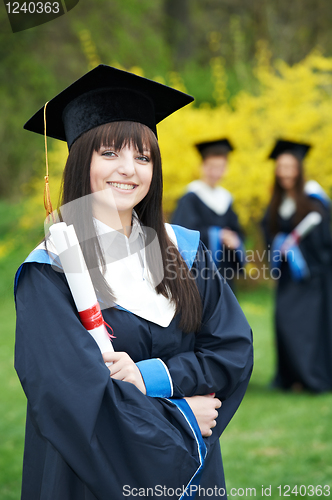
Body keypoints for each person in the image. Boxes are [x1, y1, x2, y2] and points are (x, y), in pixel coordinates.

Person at [14, 65, 253, 500]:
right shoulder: (49, 271)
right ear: (80, 159)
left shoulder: (185, 251)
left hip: (192, 480)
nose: (129, 170)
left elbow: (231, 351)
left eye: (143, 157)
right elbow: (70, 402)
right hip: (91, 479)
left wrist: (151, 377)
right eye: (110, 153)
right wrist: (181, 417)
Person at [261, 139, 332, 393]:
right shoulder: (278, 200)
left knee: (307, 329)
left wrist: (298, 249)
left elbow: (324, 240)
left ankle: (311, 379)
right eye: (281, 167)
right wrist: (280, 243)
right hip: (288, 279)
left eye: (290, 166)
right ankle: (290, 377)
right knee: (284, 322)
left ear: (299, 169)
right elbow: (267, 232)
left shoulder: (315, 199)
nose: (285, 172)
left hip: (312, 279)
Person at [172, 139, 245, 290]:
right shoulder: (190, 197)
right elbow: (183, 233)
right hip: (198, 272)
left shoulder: (226, 199)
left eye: (221, 167)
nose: (216, 172)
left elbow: (238, 230)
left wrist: (234, 239)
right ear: (202, 166)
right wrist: (217, 235)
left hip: (224, 272)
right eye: (212, 167)